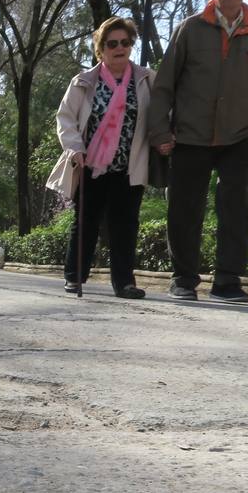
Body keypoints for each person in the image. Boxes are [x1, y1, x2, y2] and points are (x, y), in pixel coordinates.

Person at [146, 0, 248, 303]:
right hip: (190, 135)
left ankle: (227, 281)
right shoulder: (190, 29)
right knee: (184, 208)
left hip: (240, 136)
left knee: (236, 208)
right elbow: (164, 86)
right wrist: (160, 132)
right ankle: (183, 279)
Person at [46, 17, 155, 298]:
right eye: (112, 43)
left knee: (126, 224)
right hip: (90, 164)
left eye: (126, 42)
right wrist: (74, 148)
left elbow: (160, 115)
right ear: (101, 49)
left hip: (129, 165)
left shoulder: (146, 79)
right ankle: (75, 277)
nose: (120, 48)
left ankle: (124, 282)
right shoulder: (84, 81)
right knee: (86, 221)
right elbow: (66, 118)